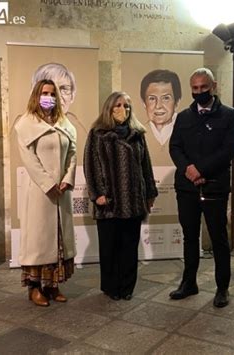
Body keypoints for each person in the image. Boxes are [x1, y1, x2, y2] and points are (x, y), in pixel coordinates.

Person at [169, 68, 234, 308]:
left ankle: (222, 288)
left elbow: (228, 150)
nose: (199, 92)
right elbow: (175, 147)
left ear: (214, 86)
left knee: (219, 239)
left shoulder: (231, 116)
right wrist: (189, 169)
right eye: (195, 88)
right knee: (190, 237)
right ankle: (189, 283)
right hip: (187, 187)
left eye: (203, 87)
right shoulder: (183, 117)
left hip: (215, 187)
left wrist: (201, 170)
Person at [84, 91, 158, 301]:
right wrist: (97, 194)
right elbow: (90, 165)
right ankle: (111, 287)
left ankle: (127, 287)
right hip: (109, 202)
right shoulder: (97, 133)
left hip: (133, 201)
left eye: (126, 106)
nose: (122, 110)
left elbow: (146, 166)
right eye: (117, 105)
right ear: (109, 108)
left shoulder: (137, 134)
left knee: (129, 247)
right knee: (109, 247)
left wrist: (150, 193)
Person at [14, 78, 77, 307]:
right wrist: (48, 183)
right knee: (39, 241)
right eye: (44, 93)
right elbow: (29, 159)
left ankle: (52, 285)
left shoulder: (64, 123)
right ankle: (34, 288)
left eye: (52, 93)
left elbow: (72, 153)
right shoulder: (25, 124)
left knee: (58, 238)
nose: (48, 97)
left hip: (62, 192)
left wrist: (68, 179)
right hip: (41, 192)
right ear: (36, 95)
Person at [32, 62, 88, 159]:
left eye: (64, 89)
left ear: (72, 96)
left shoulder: (78, 130)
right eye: (48, 92)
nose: (58, 96)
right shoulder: (24, 125)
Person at [140, 69, 182, 146]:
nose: (158, 106)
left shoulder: (189, 132)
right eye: (152, 98)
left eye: (166, 98)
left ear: (177, 103)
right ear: (144, 103)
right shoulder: (137, 136)